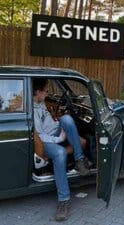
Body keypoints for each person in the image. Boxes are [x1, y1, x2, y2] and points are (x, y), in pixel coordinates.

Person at [33, 78, 90, 221]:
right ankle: (63, 201)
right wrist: (59, 138)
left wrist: (58, 122)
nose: (47, 94)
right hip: (46, 140)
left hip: (53, 132)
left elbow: (49, 124)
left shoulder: (40, 103)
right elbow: (41, 135)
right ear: (38, 92)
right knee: (59, 153)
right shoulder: (32, 109)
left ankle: (79, 160)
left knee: (68, 119)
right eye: (46, 91)